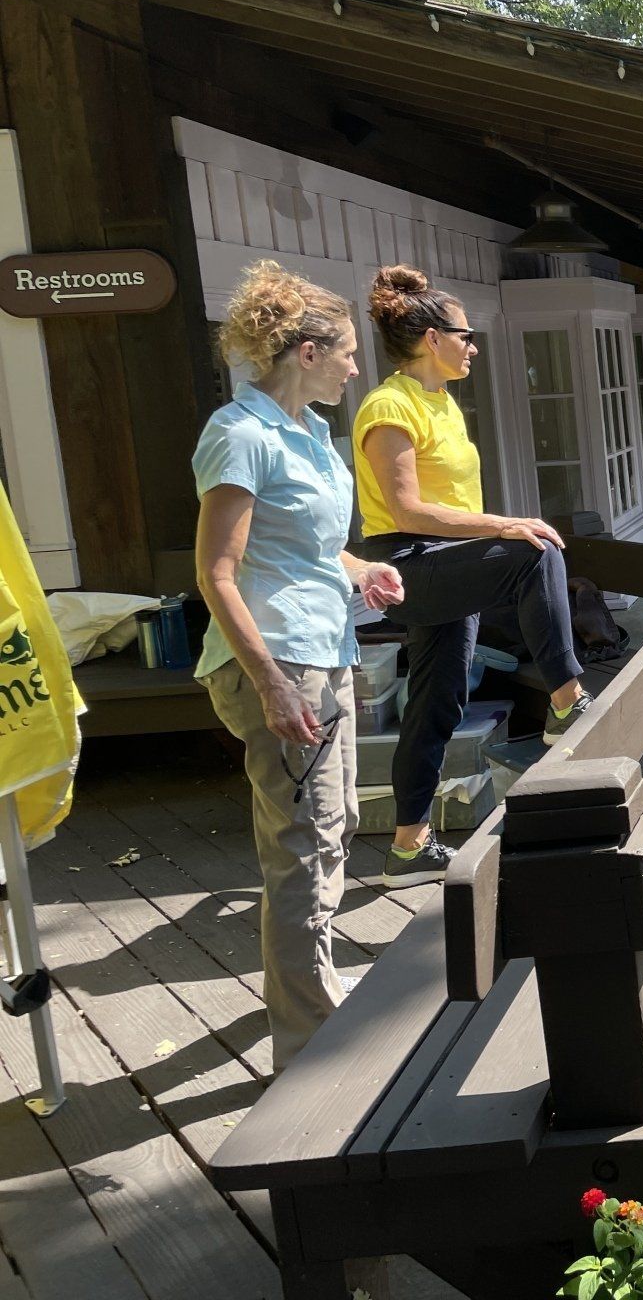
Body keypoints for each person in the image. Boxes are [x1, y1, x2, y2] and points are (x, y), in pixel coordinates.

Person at [193, 262, 406, 1071]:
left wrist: (360, 569)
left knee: (335, 824)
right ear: (307, 353)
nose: (355, 368)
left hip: (327, 647)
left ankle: (309, 997)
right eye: (347, 353)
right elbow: (217, 573)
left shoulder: (308, 432)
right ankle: (312, 1049)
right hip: (278, 659)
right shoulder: (240, 435)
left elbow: (308, 548)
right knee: (303, 846)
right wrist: (271, 683)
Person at [353, 265, 590, 889]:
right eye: (465, 335)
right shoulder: (388, 406)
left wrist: (490, 533)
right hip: (409, 563)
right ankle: (567, 701)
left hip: (445, 561)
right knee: (536, 550)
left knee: (437, 701)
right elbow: (406, 510)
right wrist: (503, 525)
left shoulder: (441, 402)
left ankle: (408, 848)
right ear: (432, 338)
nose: (473, 347)